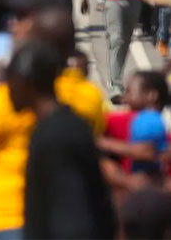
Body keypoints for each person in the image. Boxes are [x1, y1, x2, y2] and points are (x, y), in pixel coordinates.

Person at [12, 41, 115, 239]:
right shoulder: (67, 125)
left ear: (27, 83)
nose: (8, 90)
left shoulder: (54, 136)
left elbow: (73, 215)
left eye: (11, 80)